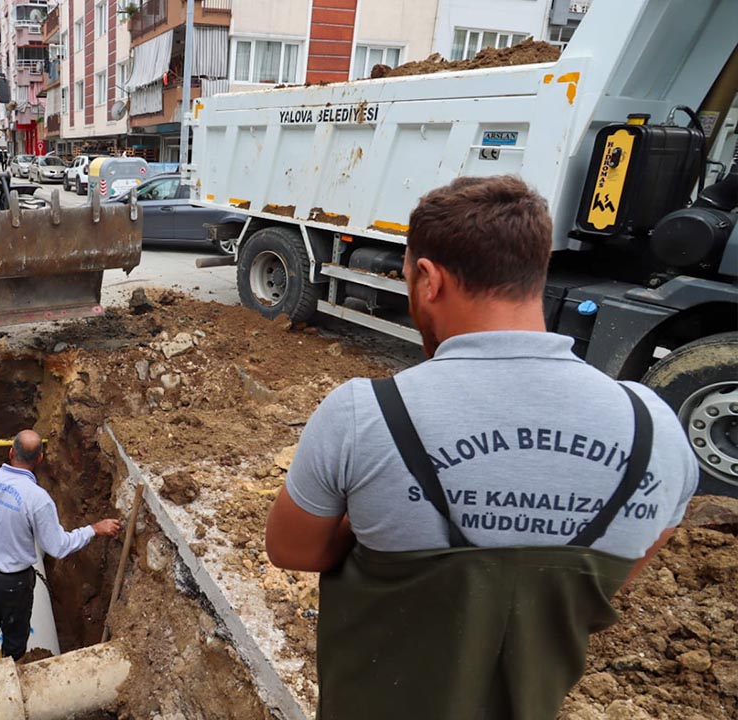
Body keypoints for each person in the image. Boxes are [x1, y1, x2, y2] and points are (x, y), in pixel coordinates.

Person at [264, 175, 697, 720]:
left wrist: (378, 519)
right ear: (536, 273)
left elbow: (293, 550)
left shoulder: (365, 413)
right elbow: (614, 576)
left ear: (428, 279)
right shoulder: (655, 427)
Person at [0, 430, 122, 668]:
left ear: (10, 452)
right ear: (40, 459)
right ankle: (11, 673)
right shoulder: (38, 499)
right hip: (13, 583)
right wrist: (94, 528)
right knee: (15, 632)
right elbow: (58, 547)